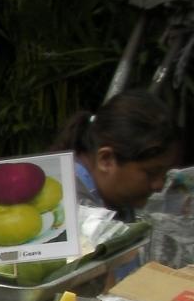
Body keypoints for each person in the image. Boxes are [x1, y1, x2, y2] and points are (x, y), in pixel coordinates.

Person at [53, 89, 181, 223]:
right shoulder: (66, 210)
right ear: (106, 159)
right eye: (151, 173)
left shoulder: (113, 199)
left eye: (164, 174)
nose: (159, 185)